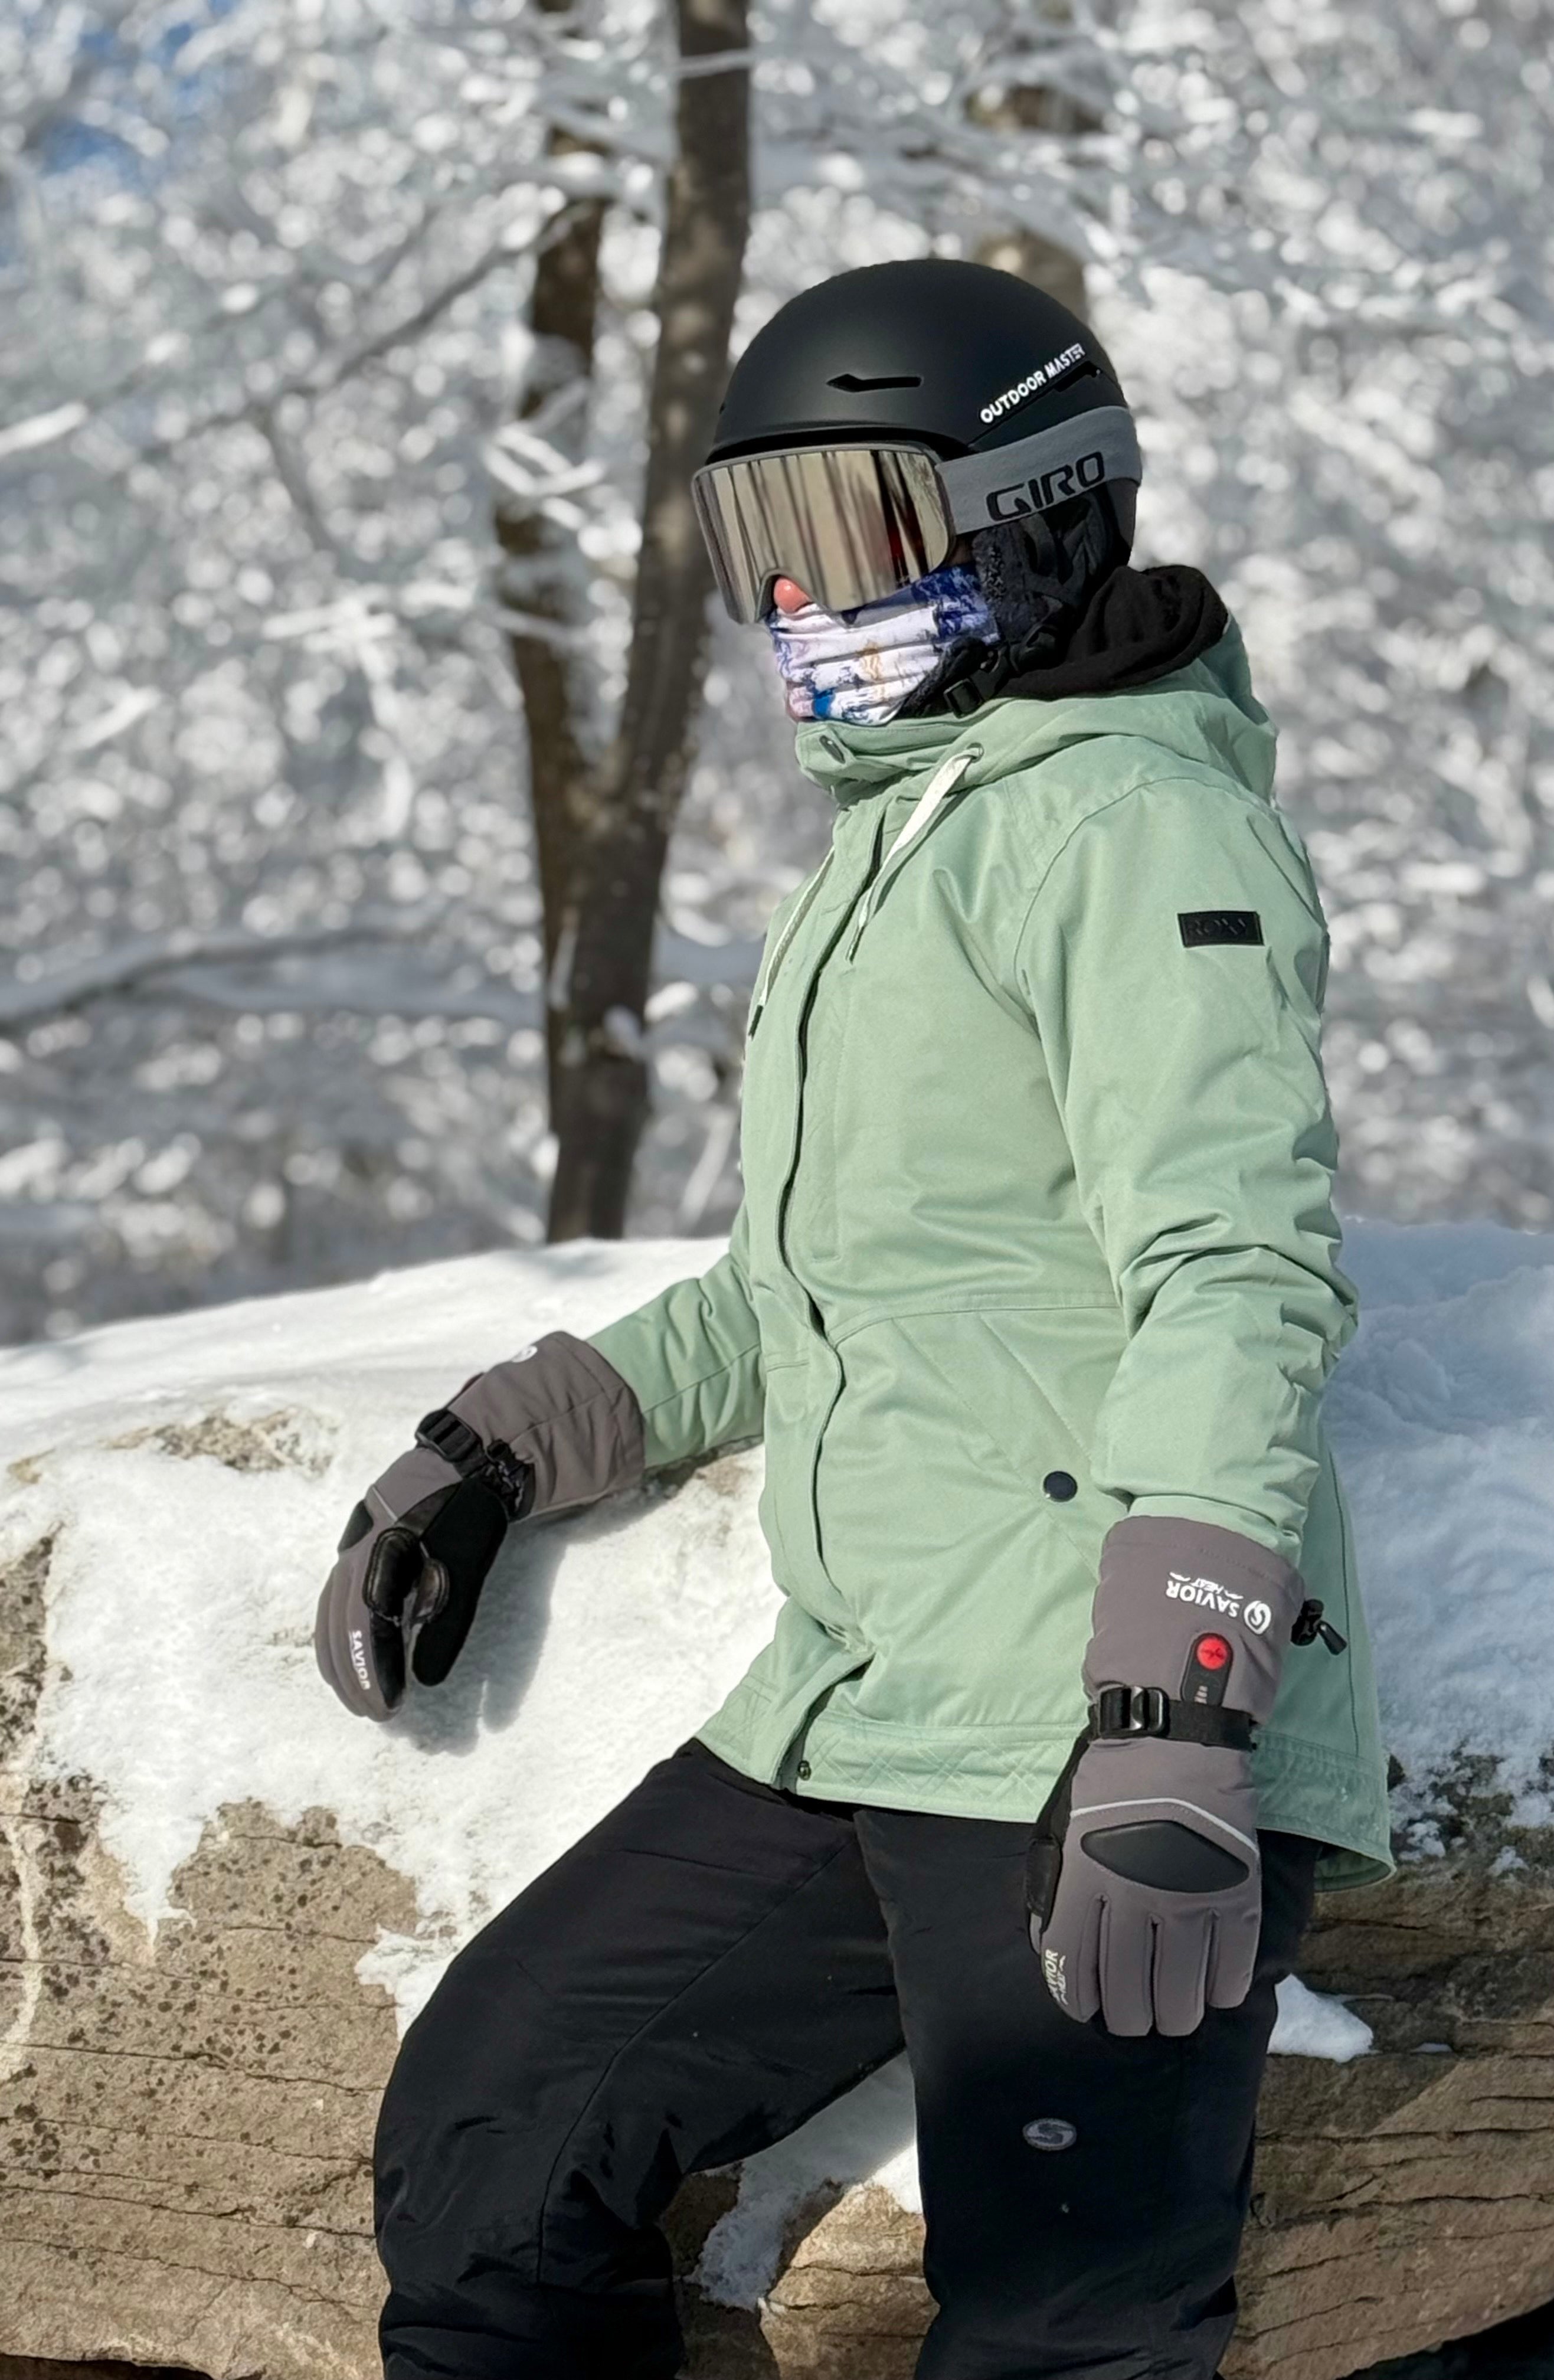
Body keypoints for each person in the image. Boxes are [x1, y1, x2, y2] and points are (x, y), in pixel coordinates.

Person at [315, 257, 1392, 2380]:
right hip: (869, 1700)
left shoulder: (1132, 820)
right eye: (764, 542)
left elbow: (1236, 1268)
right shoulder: (904, 840)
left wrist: (1177, 1713)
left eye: (855, 528)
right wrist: (510, 1443)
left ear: (1038, 519)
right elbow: (809, 1287)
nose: (802, 598)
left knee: (1063, 2331)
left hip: (1090, 1725)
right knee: (500, 2144)